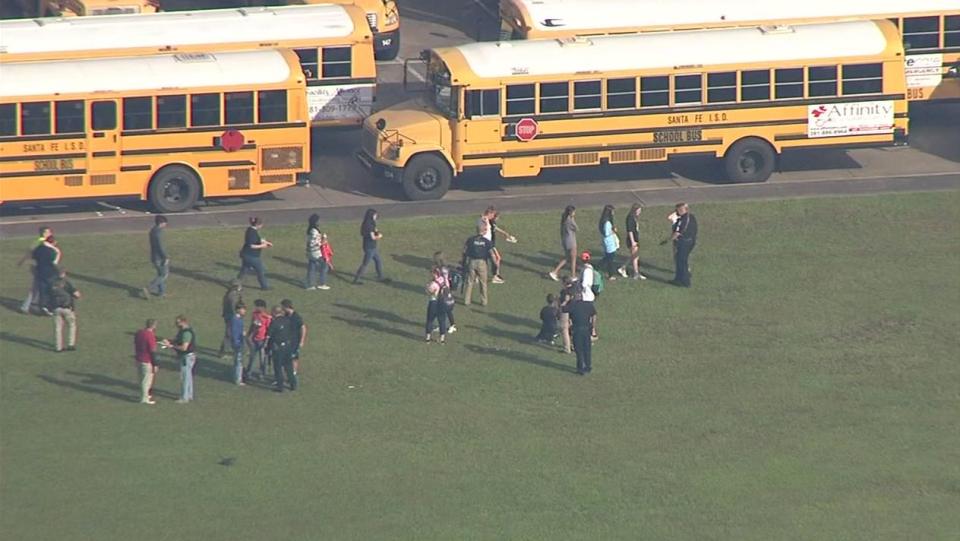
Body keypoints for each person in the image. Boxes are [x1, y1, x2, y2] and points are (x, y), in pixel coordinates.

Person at [161, 315, 197, 404]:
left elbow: (184, 347)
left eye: (178, 322)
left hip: (186, 357)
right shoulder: (183, 331)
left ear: (183, 322)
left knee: (185, 377)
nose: (176, 324)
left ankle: (184, 397)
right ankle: (189, 395)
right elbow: (177, 341)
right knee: (188, 376)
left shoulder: (186, 333)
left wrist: (171, 346)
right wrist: (169, 342)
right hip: (188, 356)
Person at [477, 206, 516, 284]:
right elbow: (482, 231)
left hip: (489, 244)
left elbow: (494, 228)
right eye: (493, 215)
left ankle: (493, 275)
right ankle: (494, 276)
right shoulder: (484, 220)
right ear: (490, 213)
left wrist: (506, 234)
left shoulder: (488, 220)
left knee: (490, 259)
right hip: (487, 244)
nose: (494, 217)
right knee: (490, 259)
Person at [18, 226, 52, 314]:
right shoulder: (40, 242)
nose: (50, 233)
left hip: (39, 267)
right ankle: (27, 306)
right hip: (39, 267)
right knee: (37, 287)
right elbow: (30, 253)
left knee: (38, 287)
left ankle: (32, 305)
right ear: (44, 233)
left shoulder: (40, 242)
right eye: (48, 232)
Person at [564, 290, 597, 375]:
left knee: (579, 350)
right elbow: (594, 315)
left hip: (577, 330)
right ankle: (588, 366)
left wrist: (566, 301)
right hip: (587, 330)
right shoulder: (589, 305)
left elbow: (563, 309)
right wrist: (593, 327)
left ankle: (581, 368)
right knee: (587, 349)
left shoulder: (573, 305)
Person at [48, 269, 80, 353]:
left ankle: (58, 347)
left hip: (56, 308)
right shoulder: (67, 283)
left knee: (58, 328)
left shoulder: (51, 283)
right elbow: (77, 295)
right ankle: (71, 344)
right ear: (64, 274)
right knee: (72, 325)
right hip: (67, 308)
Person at [237, 217, 273, 290]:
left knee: (244, 270)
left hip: (246, 254)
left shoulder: (251, 230)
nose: (262, 226)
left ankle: (237, 284)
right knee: (260, 270)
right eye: (261, 224)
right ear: (258, 224)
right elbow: (252, 245)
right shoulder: (252, 232)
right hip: (252, 256)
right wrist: (263, 246)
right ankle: (264, 286)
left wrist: (266, 242)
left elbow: (258, 239)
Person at [267, 305, 297, 392]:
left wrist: (268, 348)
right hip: (288, 346)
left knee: (278, 367)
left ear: (274, 313)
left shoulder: (274, 322)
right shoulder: (287, 320)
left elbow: (269, 336)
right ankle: (293, 384)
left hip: (278, 348)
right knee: (289, 366)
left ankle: (280, 387)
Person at [462, 223, 493, 307]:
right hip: (482, 263)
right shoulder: (487, 241)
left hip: (472, 261)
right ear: (484, 231)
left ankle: (466, 300)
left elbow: (464, 251)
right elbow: (491, 253)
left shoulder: (470, 240)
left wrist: (463, 261)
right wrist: (493, 264)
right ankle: (484, 301)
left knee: (470, 281)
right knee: (483, 282)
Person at [352, 208, 384, 284]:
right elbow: (373, 237)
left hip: (372, 247)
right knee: (365, 263)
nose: (376, 216)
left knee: (378, 261)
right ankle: (356, 280)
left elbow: (375, 230)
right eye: (375, 215)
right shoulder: (368, 225)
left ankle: (381, 277)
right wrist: (379, 236)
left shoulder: (370, 223)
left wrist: (377, 231)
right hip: (369, 247)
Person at [670, 202, 698, 287]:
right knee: (680, 260)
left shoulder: (682, 220)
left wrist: (670, 239)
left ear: (681, 210)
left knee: (682, 262)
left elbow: (677, 233)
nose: (676, 212)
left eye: (677, 210)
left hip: (684, 243)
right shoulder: (692, 217)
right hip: (691, 241)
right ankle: (678, 278)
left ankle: (685, 282)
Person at [33, 235, 62, 313]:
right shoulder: (54, 251)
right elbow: (54, 263)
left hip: (40, 271)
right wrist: (60, 272)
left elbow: (35, 257)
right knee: (51, 290)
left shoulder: (38, 249)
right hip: (50, 273)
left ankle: (42, 306)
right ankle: (49, 307)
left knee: (42, 290)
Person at [143, 215, 170, 299]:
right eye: (165, 223)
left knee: (160, 274)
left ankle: (161, 293)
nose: (165, 225)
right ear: (161, 223)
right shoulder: (159, 233)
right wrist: (166, 257)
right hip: (159, 258)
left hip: (154, 256)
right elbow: (160, 246)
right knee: (164, 275)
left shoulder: (152, 230)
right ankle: (149, 288)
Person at [134, 319, 159, 405]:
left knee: (141, 379)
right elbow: (152, 351)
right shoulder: (150, 335)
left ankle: (143, 395)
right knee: (146, 380)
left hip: (138, 359)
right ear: (154, 326)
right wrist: (155, 364)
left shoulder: (139, 333)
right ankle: (144, 398)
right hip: (147, 360)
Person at [246, 299, 272, 380]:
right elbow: (252, 325)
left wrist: (266, 341)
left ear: (262, 307)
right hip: (254, 339)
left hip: (262, 340)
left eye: (257, 306)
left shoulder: (266, 317)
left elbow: (269, 329)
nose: (256, 308)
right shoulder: (255, 314)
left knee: (262, 358)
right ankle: (248, 372)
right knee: (252, 357)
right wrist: (248, 334)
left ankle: (262, 373)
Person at [549, 206, 578, 281]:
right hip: (571, 241)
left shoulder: (564, 219)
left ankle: (555, 272)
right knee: (573, 259)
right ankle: (573, 276)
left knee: (567, 258)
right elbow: (576, 228)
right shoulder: (569, 220)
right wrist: (573, 219)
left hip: (565, 240)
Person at [619, 204, 647, 280]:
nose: (639, 212)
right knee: (634, 256)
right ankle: (633, 272)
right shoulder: (630, 218)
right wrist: (633, 242)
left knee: (634, 256)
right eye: (638, 211)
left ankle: (627, 269)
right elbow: (630, 231)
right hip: (632, 240)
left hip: (635, 239)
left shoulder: (634, 217)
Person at [431, 252, 457, 333]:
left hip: (442, 289)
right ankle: (443, 324)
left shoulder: (438, 269)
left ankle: (452, 325)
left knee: (445, 308)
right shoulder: (446, 268)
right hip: (447, 288)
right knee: (444, 308)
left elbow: (437, 278)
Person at [599, 204, 625, 280]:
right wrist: (613, 231)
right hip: (609, 242)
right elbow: (607, 233)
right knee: (610, 259)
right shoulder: (607, 222)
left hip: (607, 242)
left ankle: (598, 268)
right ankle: (610, 275)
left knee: (607, 258)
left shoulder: (604, 221)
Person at [281, 299, 306, 377]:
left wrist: (302, 341)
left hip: (294, 342)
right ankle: (287, 373)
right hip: (287, 341)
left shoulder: (296, 317)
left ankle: (293, 373)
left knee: (294, 358)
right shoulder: (286, 315)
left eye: (283, 307)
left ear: (287, 307)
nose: (282, 309)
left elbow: (303, 328)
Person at [218, 280, 243, 357]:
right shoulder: (233, 295)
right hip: (231, 316)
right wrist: (237, 315)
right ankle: (223, 351)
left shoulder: (230, 294)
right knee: (229, 334)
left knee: (230, 333)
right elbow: (233, 307)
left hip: (228, 316)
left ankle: (227, 350)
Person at [424, 279, 449, 344]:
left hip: (433, 302)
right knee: (442, 322)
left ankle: (428, 338)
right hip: (442, 303)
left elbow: (428, 292)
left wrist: (427, 288)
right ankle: (442, 339)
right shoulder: (444, 280)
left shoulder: (433, 283)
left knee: (430, 320)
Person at [229, 302, 247, 386]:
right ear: (238, 310)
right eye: (243, 309)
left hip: (239, 342)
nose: (245, 311)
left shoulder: (238, 319)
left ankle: (236, 377)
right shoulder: (235, 320)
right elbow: (234, 332)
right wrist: (237, 343)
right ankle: (238, 379)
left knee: (238, 361)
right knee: (239, 361)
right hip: (238, 343)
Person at [304, 213, 323, 290]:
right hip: (315, 252)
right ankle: (321, 282)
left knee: (311, 267)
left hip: (310, 252)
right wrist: (322, 242)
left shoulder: (310, 230)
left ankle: (310, 284)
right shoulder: (314, 231)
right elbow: (313, 242)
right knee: (324, 266)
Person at [557, 278, 575, 354]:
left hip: (565, 311)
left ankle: (567, 348)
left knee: (564, 329)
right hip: (574, 311)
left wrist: (561, 305)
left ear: (565, 283)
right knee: (572, 329)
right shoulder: (574, 289)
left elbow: (565, 300)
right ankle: (573, 345)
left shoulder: (565, 291)